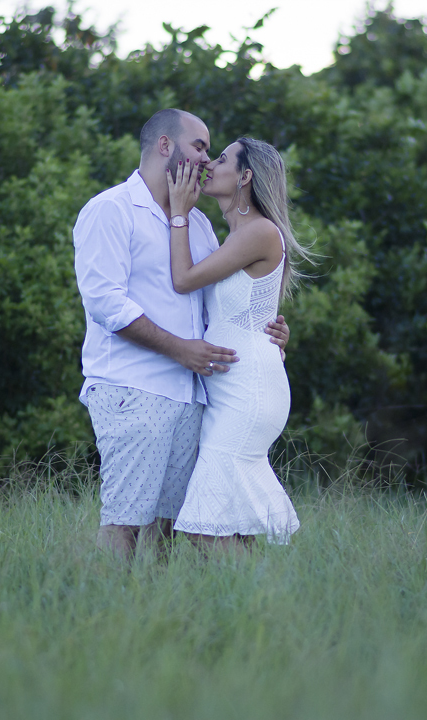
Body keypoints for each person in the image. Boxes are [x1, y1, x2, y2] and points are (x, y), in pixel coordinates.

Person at [72, 109, 290, 559]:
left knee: (172, 529)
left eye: (212, 152)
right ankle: (106, 617)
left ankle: (157, 615)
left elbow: (223, 300)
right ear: (166, 147)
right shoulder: (109, 210)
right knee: (126, 521)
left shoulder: (201, 225)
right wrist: (181, 351)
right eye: (200, 146)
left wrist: (264, 329)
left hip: (194, 396)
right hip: (134, 387)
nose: (207, 159)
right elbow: (106, 304)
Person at [165, 137, 309, 549]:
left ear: (245, 176)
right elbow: (245, 311)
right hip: (231, 387)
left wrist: (179, 213)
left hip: (248, 391)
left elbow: (183, 280)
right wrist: (278, 334)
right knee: (228, 522)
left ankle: (249, 604)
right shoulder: (233, 237)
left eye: (223, 158)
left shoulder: (260, 231)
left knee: (202, 529)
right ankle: (251, 603)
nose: (210, 162)